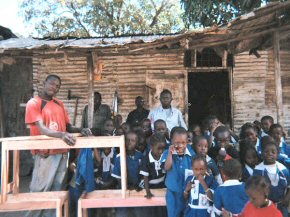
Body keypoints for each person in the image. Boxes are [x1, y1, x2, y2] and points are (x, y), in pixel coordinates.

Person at [25, 74, 91, 217]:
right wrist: (61, 135)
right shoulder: (34, 103)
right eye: (52, 84)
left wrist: (81, 130)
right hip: (45, 154)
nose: (54, 88)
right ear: (44, 82)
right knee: (40, 191)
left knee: (57, 191)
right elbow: (42, 128)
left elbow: (68, 127)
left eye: (57, 86)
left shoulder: (59, 104)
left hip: (61, 154)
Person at [253, 139, 290, 217]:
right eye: (266, 152)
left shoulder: (283, 169)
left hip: (281, 206)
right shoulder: (258, 170)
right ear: (262, 153)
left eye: (273, 152)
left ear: (278, 154)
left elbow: (289, 185)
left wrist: (287, 198)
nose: (270, 154)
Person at [161, 127, 192, 217]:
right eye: (177, 143)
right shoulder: (167, 153)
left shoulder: (191, 154)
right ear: (171, 142)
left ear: (187, 142)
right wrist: (170, 154)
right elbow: (167, 167)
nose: (180, 145)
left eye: (183, 143)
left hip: (187, 192)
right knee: (173, 214)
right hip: (173, 193)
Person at [140, 132, 166, 198]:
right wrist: (148, 192)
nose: (161, 151)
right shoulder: (146, 159)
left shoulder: (164, 157)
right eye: (158, 149)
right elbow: (145, 177)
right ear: (151, 146)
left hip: (162, 184)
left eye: (163, 148)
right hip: (149, 185)